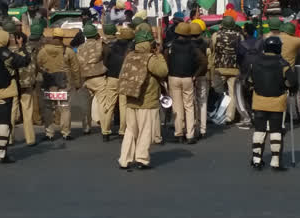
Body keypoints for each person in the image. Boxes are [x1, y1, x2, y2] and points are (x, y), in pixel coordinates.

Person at [118, 29, 168, 170]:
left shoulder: (130, 56)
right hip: (147, 99)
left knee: (130, 130)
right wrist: (158, 54)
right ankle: (142, 158)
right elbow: (163, 71)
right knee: (145, 130)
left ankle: (125, 159)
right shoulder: (151, 58)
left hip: (131, 98)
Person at [249, 36, 297, 171]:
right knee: (276, 131)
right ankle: (275, 161)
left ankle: (256, 159)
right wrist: (287, 87)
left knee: (259, 130)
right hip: (277, 101)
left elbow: (248, 81)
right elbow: (292, 82)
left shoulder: (255, 62)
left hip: (258, 100)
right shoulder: (283, 64)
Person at [0, 29, 29, 162]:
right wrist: (22, 47)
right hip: (5, 92)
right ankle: (2, 154)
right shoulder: (7, 55)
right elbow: (24, 61)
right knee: (4, 122)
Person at [38, 28, 81, 140]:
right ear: (62, 38)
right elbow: (75, 69)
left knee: (48, 108)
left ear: (53, 37)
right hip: (64, 84)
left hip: (49, 84)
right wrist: (77, 83)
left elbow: (38, 65)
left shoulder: (43, 51)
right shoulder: (68, 51)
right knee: (65, 108)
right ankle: (65, 133)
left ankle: (49, 134)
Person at [168, 22, 206, 144]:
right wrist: (195, 75)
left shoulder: (170, 45)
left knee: (177, 106)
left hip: (173, 77)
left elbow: (165, 59)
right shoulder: (192, 47)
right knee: (189, 106)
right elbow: (203, 62)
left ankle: (178, 133)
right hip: (188, 78)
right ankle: (190, 135)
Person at [77, 24, 109, 139]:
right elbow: (107, 58)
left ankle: (86, 128)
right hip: (99, 77)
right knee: (102, 104)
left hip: (84, 79)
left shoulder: (80, 47)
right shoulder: (101, 45)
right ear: (96, 34)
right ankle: (105, 131)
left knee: (85, 105)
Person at [211, 15, 243, 124]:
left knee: (216, 91)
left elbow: (213, 50)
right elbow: (241, 52)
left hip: (219, 67)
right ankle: (229, 117)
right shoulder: (239, 36)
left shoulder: (216, 35)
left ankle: (215, 113)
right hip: (234, 68)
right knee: (232, 93)